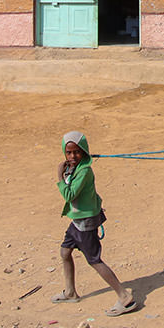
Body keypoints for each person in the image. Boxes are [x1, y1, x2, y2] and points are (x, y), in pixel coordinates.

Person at [51, 131, 137, 316]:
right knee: (65, 252)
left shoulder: (84, 171)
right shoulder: (75, 168)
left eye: (77, 152)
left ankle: (124, 298)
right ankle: (70, 292)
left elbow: (69, 195)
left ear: (84, 152)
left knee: (94, 260)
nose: (73, 156)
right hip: (77, 220)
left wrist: (59, 176)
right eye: (69, 153)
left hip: (85, 223)